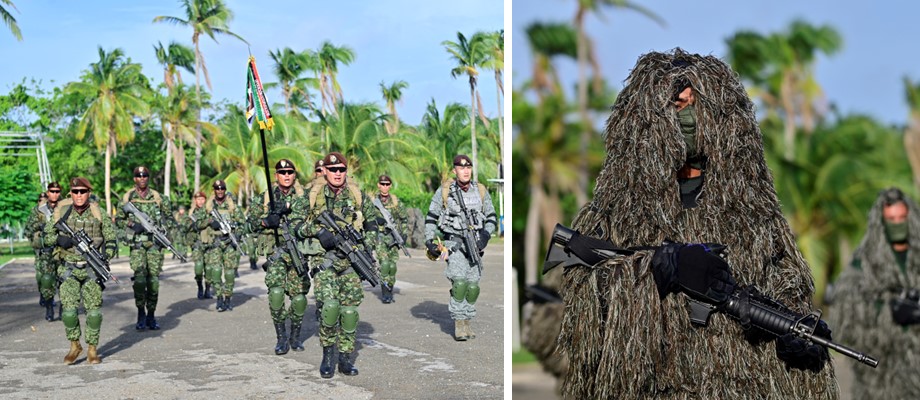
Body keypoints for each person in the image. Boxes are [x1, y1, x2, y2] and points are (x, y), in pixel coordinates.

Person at [549, 49, 836, 398]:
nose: (687, 116)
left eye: (696, 104)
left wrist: (801, 330)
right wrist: (656, 267)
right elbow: (584, 312)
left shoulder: (754, 210)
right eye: (677, 105)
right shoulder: (616, 211)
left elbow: (785, 284)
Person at [294, 151, 380, 378]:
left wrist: (365, 245)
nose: (337, 173)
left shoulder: (356, 194)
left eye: (341, 169)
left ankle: (345, 358)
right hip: (324, 260)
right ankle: (328, 355)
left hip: (351, 260)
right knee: (330, 308)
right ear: (326, 171)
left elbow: (373, 223)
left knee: (350, 311)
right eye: (333, 170)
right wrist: (318, 231)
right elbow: (295, 225)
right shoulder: (313, 195)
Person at [830, 188, 920, 399]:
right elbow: (846, 310)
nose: (897, 224)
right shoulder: (866, 262)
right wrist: (887, 310)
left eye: (901, 218)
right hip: (881, 377)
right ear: (882, 222)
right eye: (891, 219)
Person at [425, 155, 497, 341]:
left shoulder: (480, 190)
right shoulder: (445, 191)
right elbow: (432, 216)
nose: (465, 170)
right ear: (454, 170)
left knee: (473, 287)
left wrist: (486, 235)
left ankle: (466, 320)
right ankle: (459, 323)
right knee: (460, 283)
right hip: (454, 244)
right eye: (461, 167)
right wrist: (429, 240)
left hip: (475, 245)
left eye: (468, 167)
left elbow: (491, 216)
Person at [45, 177, 116, 364]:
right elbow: (47, 237)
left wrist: (104, 257)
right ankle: (74, 345)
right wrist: (61, 241)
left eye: (82, 192)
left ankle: (92, 349)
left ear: (89, 193)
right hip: (68, 268)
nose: (79, 195)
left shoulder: (98, 213)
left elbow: (111, 241)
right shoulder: (61, 212)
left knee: (93, 313)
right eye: (75, 191)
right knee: (68, 312)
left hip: (92, 269)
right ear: (70, 193)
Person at [245, 159, 308, 355]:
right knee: (276, 295)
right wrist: (265, 222)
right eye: (282, 172)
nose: (286, 175)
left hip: (298, 254)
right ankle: (281, 338)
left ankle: (295, 336)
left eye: (290, 172)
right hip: (276, 254)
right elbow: (248, 225)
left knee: (299, 300)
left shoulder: (305, 199)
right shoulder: (264, 199)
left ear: (294, 175)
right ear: (276, 176)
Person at [114, 166, 176, 331]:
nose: (142, 178)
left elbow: (170, 219)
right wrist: (132, 225)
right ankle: (141, 312)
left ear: (148, 177)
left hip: (154, 245)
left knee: (154, 282)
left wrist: (165, 234)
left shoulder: (158, 198)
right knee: (140, 281)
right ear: (134, 178)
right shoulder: (127, 198)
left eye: (145, 175)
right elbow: (118, 220)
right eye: (138, 175)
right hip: (138, 246)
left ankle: (151, 315)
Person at [198, 180, 244, 312]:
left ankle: (228, 298)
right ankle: (219, 298)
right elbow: (198, 224)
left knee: (229, 273)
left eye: (222, 188)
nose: (220, 191)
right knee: (216, 273)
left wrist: (236, 233)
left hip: (229, 243)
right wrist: (209, 222)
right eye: (217, 188)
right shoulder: (208, 206)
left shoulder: (232, 206)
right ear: (214, 190)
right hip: (215, 244)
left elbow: (243, 224)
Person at [367, 175, 409, 304]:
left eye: (387, 184)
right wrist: (375, 222)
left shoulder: (396, 202)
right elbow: (366, 219)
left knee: (392, 266)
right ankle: (385, 292)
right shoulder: (372, 202)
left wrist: (404, 234)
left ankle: (390, 288)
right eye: (382, 184)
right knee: (384, 264)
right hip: (380, 237)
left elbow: (404, 219)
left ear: (390, 186)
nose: (384, 186)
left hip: (393, 238)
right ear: (378, 185)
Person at [25, 182, 64, 320]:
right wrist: (40, 226)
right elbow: (28, 230)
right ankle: (49, 307)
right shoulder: (38, 211)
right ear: (48, 192)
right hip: (46, 252)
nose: (55, 193)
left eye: (57, 191)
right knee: (47, 281)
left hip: (63, 251)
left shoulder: (65, 208)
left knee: (64, 281)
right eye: (52, 191)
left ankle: (63, 308)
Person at [187, 192, 212, 299]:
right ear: (195, 200)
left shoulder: (209, 211)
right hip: (197, 244)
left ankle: (207, 290)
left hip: (209, 244)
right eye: (198, 199)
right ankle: (200, 287)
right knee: (198, 269)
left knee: (209, 269)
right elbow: (197, 225)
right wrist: (208, 221)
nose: (200, 201)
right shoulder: (192, 213)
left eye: (202, 199)